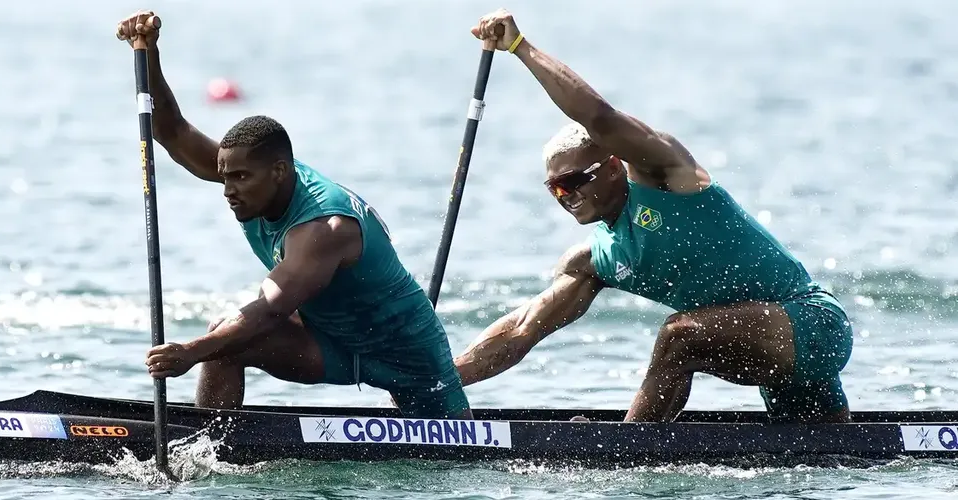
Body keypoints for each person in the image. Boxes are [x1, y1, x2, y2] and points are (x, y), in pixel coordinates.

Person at [453, 9, 854, 423]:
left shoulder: (665, 175)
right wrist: (438, 381)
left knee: (677, 336)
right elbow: (521, 331)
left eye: (573, 181)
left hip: (812, 324)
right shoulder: (594, 260)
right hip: (762, 347)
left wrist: (520, 48)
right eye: (554, 187)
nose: (565, 196)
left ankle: (628, 454)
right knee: (832, 456)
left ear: (613, 166)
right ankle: (640, 445)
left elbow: (599, 117)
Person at [115, 11, 471, 419]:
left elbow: (269, 311)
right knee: (226, 342)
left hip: (408, 356)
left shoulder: (324, 227)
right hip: (331, 342)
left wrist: (188, 352)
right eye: (225, 177)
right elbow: (173, 131)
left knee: (454, 453)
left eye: (241, 178)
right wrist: (149, 53)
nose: (229, 190)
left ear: (280, 171)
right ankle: (204, 450)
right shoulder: (257, 182)